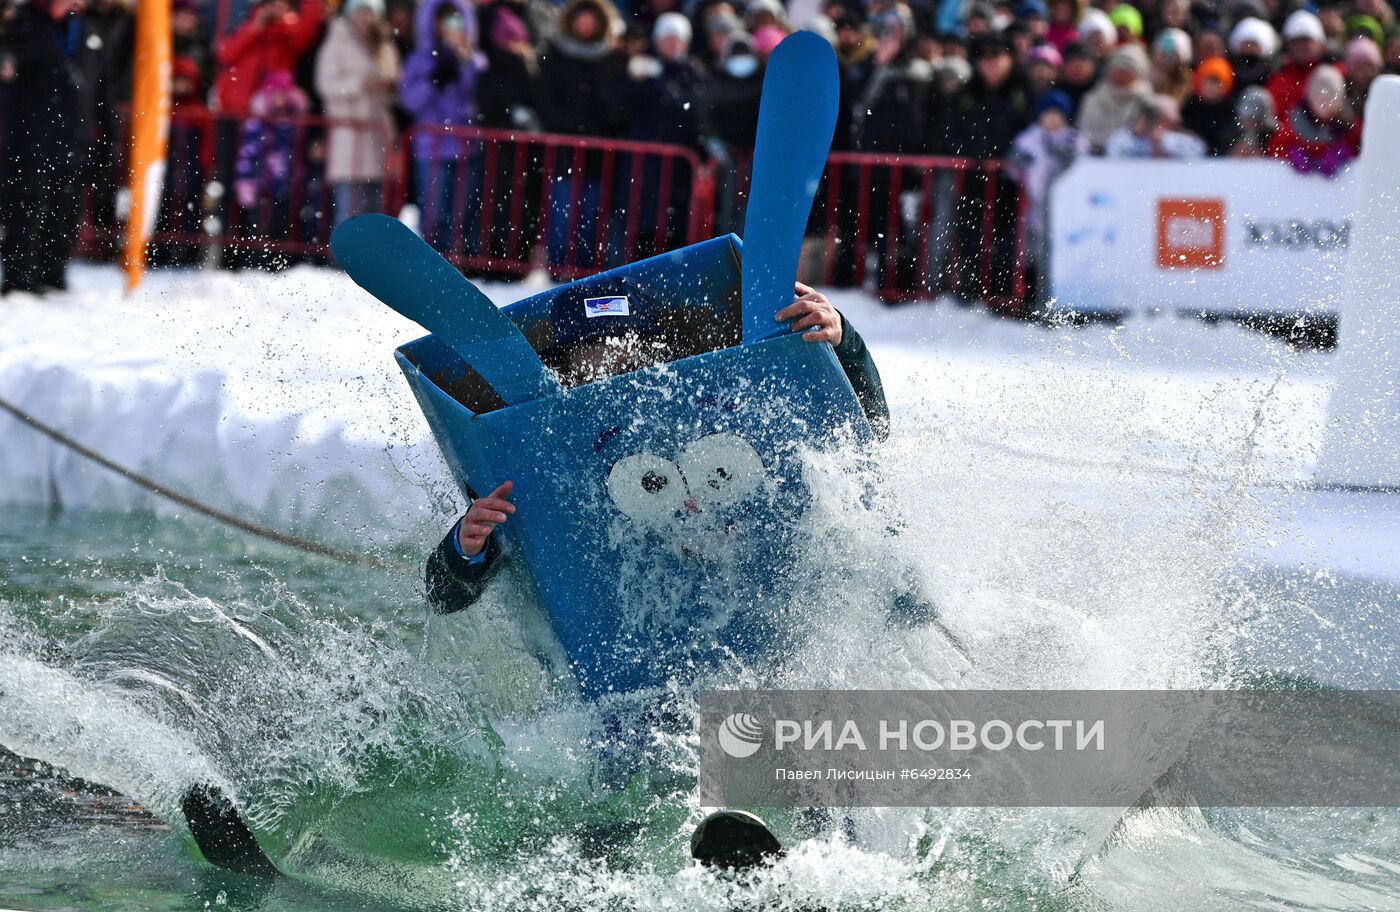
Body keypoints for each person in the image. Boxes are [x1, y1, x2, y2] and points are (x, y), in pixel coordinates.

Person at [425, 281, 890, 614]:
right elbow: (442, 599)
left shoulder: (719, 421)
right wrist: (467, 549)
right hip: (627, 681)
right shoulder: (548, 457)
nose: (616, 392)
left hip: (765, 630)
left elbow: (868, 430)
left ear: (662, 362)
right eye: (592, 377)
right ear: (562, 379)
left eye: (630, 369)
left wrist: (842, 343)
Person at [0, 0, 90, 296]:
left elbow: (100, 84)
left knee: (63, 210)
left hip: (70, 138)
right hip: (28, 138)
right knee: (26, 211)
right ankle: (20, 280)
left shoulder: (84, 30)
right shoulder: (22, 25)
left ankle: (52, 275)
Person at [399, 0, 485, 254]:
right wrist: (433, 81)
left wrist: (465, 63)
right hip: (432, 147)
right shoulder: (420, 59)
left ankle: (454, 262)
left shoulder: (474, 58)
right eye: (444, 20)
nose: (450, 27)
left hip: (466, 146)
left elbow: (481, 98)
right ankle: (432, 262)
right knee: (433, 215)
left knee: (462, 214)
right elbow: (408, 101)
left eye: (456, 20)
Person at [316, 0, 399, 227]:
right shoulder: (337, 42)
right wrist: (360, 84)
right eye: (362, 13)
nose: (366, 19)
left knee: (373, 206)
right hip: (349, 134)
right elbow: (326, 84)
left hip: (376, 134)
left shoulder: (383, 46)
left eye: (370, 13)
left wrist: (386, 87)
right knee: (349, 205)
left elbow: (393, 91)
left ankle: (367, 257)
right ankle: (343, 258)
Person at [1011, 89, 1083, 302]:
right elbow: (1014, 165)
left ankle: (1056, 297)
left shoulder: (1073, 138)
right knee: (1032, 253)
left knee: (1058, 253)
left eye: (1057, 114)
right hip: (1035, 204)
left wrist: (1070, 159)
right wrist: (1017, 163)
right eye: (1048, 114)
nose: (1052, 119)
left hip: (1064, 207)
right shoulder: (1029, 138)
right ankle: (1033, 296)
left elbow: (1083, 166)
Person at [1268, 64, 1360, 176]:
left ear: (1340, 100)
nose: (1325, 103)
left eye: (1331, 98)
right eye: (1319, 97)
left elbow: (1360, 145)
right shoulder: (1296, 121)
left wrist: (1344, 153)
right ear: (1309, 97)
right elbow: (1275, 146)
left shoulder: (1348, 124)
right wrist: (1291, 152)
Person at [1078, 43, 1150, 152]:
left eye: (1126, 72)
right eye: (1117, 71)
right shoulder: (1093, 100)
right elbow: (1084, 134)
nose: (1121, 76)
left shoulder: (1146, 102)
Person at [1268, 10, 1331, 123]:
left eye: (1306, 40)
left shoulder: (1332, 75)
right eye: (1296, 41)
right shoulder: (1279, 80)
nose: (1301, 46)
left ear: (1320, 44)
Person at [1104, 93, 1207, 159]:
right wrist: (1135, 134)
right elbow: (1113, 151)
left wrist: (1163, 142)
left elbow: (1199, 152)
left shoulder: (1179, 139)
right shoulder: (1127, 137)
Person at [1181, 55, 1236, 155]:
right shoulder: (1190, 107)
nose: (1211, 87)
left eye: (1216, 83)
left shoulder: (1230, 109)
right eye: (1208, 82)